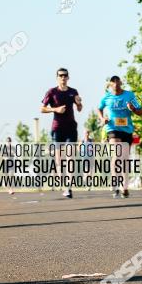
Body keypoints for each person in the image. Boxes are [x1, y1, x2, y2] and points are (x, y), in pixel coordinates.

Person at [97, 76, 142, 198]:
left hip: (127, 130)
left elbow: (140, 111)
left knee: (125, 159)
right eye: (113, 82)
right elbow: (99, 108)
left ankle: (125, 187)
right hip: (113, 129)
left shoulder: (129, 95)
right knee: (117, 155)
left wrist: (133, 109)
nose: (116, 84)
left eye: (118, 82)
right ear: (110, 84)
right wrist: (102, 119)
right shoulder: (107, 97)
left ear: (121, 83)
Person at [41, 68, 83, 198]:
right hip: (57, 128)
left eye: (65, 75)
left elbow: (80, 109)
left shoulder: (73, 91)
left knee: (70, 157)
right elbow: (42, 109)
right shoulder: (52, 92)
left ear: (68, 77)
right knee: (59, 160)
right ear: (57, 78)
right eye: (60, 75)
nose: (63, 78)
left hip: (71, 128)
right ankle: (64, 185)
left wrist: (79, 102)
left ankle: (69, 187)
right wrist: (56, 109)